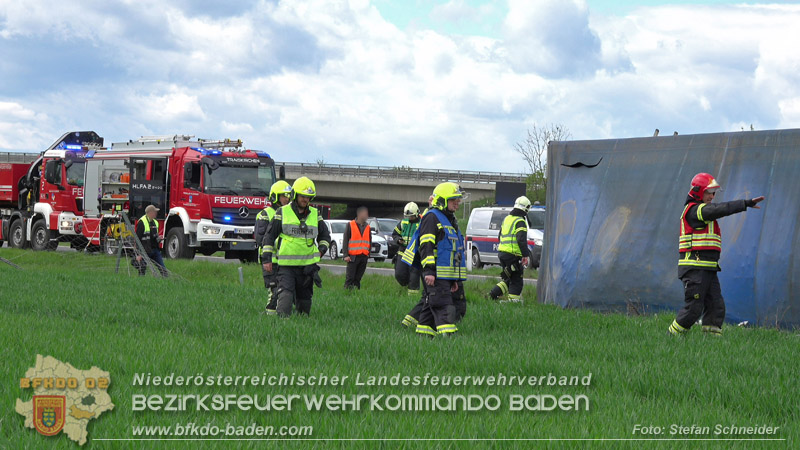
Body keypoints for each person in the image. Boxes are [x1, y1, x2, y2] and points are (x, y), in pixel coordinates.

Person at [668, 173, 764, 336]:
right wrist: (744, 204)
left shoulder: (702, 210)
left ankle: (711, 344)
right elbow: (720, 209)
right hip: (694, 268)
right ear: (698, 191)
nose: (712, 196)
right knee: (693, 308)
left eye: (714, 193)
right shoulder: (695, 210)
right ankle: (671, 337)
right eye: (709, 192)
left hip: (707, 268)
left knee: (716, 306)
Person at [403, 182, 467, 337]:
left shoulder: (448, 219)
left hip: (445, 275)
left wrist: (453, 279)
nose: (457, 204)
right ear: (442, 200)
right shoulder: (432, 218)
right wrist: (429, 271)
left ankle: (423, 336)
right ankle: (450, 338)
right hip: (435, 274)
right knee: (443, 305)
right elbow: (426, 247)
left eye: (458, 201)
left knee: (428, 307)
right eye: (454, 200)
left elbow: (450, 250)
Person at [261, 177, 330, 318]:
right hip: (286, 267)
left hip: (307, 267)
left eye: (309, 197)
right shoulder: (282, 212)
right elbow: (269, 236)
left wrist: (320, 252)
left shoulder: (315, 214)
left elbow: (325, 237)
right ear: (295, 195)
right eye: (303, 196)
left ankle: (302, 328)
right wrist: (266, 259)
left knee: (304, 307)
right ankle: (282, 327)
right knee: (285, 299)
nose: (306, 200)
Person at [257, 180, 293, 314]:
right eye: (284, 196)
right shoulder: (265, 214)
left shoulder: (288, 214)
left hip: (285, 259)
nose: (287, 199)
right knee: (274, 289)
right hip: (270, 259)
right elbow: (262, 238)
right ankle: (270, 315)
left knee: (286, 289)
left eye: (289, 195)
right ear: (275, 197)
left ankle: (281, 313)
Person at [489, 196, 531, 303]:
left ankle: (493, 295)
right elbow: (521, 239)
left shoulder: (507, 219)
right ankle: (513, 303)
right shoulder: (520, 221)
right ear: (526, 209)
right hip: (513, 255)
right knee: (516, 280)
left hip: (503, 254)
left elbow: (500, 236)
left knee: (509, 279)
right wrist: (525, 255)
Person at [393, 202, 422, 296]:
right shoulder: (403, 222)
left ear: (417, 214)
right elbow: (395, 234)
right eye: (408, 216)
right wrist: (398, 240)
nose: (409, 218)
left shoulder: (422, 223)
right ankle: (406, 286)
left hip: (415, 253)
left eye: (412, 216)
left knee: (414, 276)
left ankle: (412, 296)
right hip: (403, 251)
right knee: (399, 274)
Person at [343, 206, 371, 289]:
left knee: (358, 278)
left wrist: (368, 254)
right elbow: (346, 240)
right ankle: (347, 293)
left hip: (363, 256)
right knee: (350, 278)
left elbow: (370, 241)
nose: (366, 216)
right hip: (353, 257)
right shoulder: (350, 225)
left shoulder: (367, 227)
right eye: (365, 214)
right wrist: (345, 255)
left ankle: (356, 294)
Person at [135, 205, 167, 276]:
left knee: (163, 270)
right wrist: (138, 254)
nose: (156, 213)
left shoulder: (155, 222)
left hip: (155, 250)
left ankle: (165, 282)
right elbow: (137, 239)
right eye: (155, 212)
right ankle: (140, 282)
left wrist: (159, 238)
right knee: (142, 269)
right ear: (150, 212)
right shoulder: (141, 222)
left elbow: (154, 236)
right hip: (145, 251)